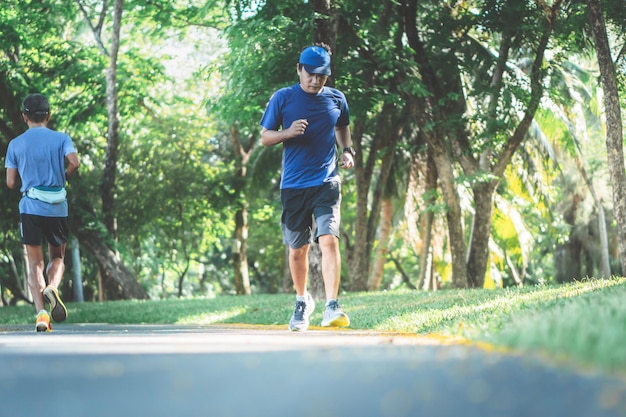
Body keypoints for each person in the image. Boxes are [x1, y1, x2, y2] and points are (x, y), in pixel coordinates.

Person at [260, 44, 355, 331]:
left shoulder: (337, 98)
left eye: (322, 76)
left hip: (326, 182)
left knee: (328, 240)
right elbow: (265, 137)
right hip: (293, 186)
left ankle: (332, 306)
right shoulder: (283, 98)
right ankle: (302, 300)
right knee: (297, 250)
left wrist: (348, 150)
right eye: (310, 74)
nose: (315, 81)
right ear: (299, 70)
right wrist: (287, 133)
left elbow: (342, 126)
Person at [5, 93, 80, 332]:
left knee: (35, 263)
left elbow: (10, 182)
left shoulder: (15, 144)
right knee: (57, 257)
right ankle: (53, 288)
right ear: (48, 115)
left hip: (31, 208)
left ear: (24, 116)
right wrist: (62, 177)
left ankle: (41, 315)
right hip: (57, 207)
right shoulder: (62, 138)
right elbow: (74, 162)